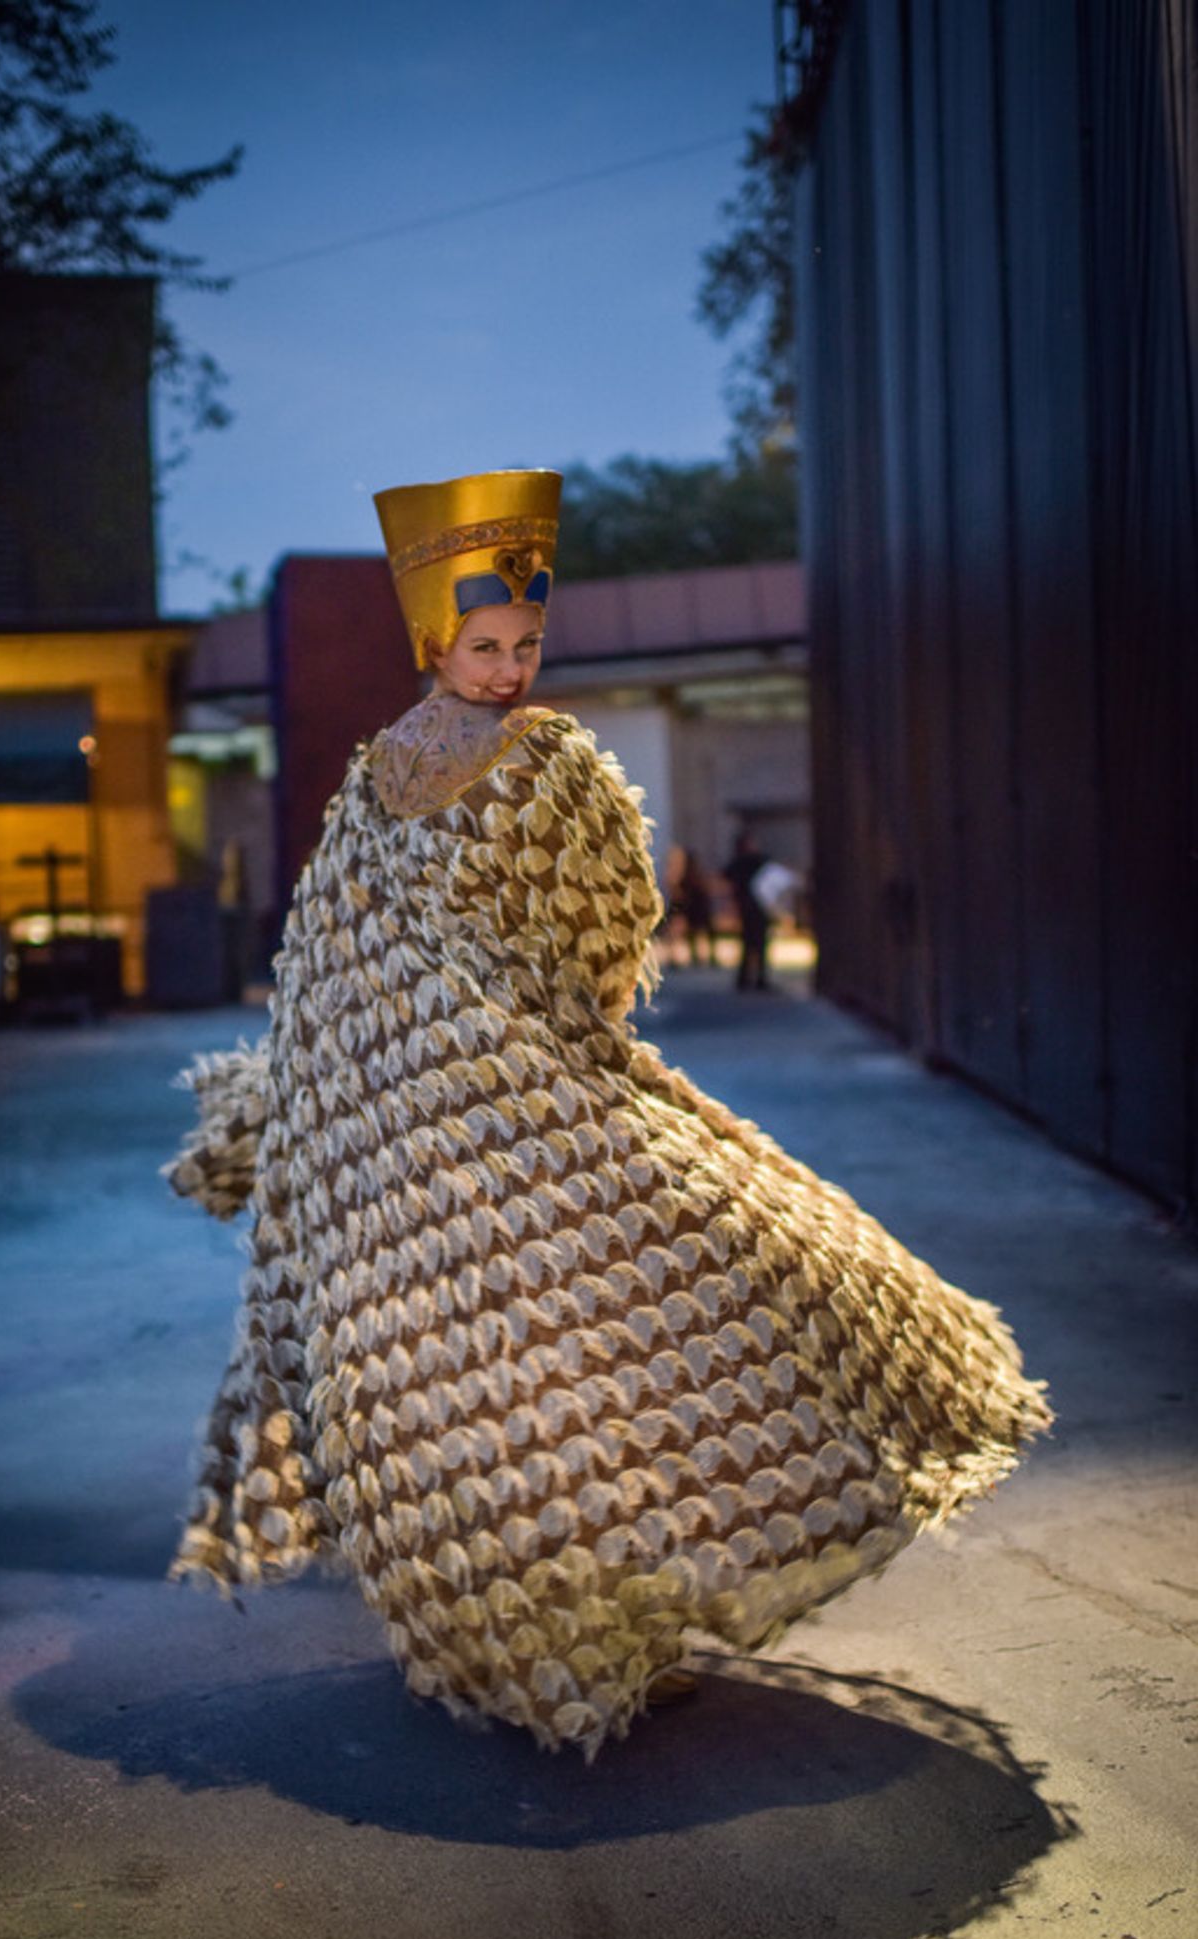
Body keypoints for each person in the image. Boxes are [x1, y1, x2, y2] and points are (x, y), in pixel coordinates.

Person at [166, 469, 1050, 1760]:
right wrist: (537, 1026)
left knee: (471, 1366)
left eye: (527, 645)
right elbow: (604, 930)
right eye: (488, 646)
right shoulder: (545, 762)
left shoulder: (376, 780)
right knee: (647, 1308)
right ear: (435, 642)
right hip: (488, 1102)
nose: (512, 668)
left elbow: (329, 958)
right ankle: (567, 1630)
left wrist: (329, 1089)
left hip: (406, 1126)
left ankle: (538, 1632)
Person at [724, 826, 771, 991]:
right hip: (755, 907)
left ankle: (747, 978)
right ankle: (757, 978)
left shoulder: (739, 862)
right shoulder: (756, 861)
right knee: (757, 943)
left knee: (750, 944)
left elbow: (726, 879)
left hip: (748, 906)